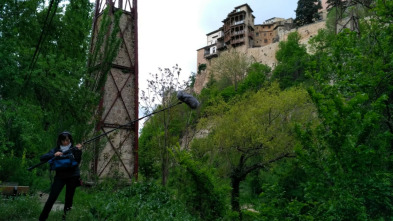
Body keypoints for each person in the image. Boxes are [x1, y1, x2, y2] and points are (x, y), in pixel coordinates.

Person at [39, 131, 83, 221]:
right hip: (60, 177)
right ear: (60, 141)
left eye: (67, 140)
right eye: (63, 141)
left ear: (70, 139)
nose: (66, 142)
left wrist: (78, 151)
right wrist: (54, 154)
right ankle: (42, 218)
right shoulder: (55, 150)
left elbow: (77, 161)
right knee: (52, 197)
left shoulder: (74, 149)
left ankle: (65, 218)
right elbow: (42, 158)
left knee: (69, 199)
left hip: (73, 176)